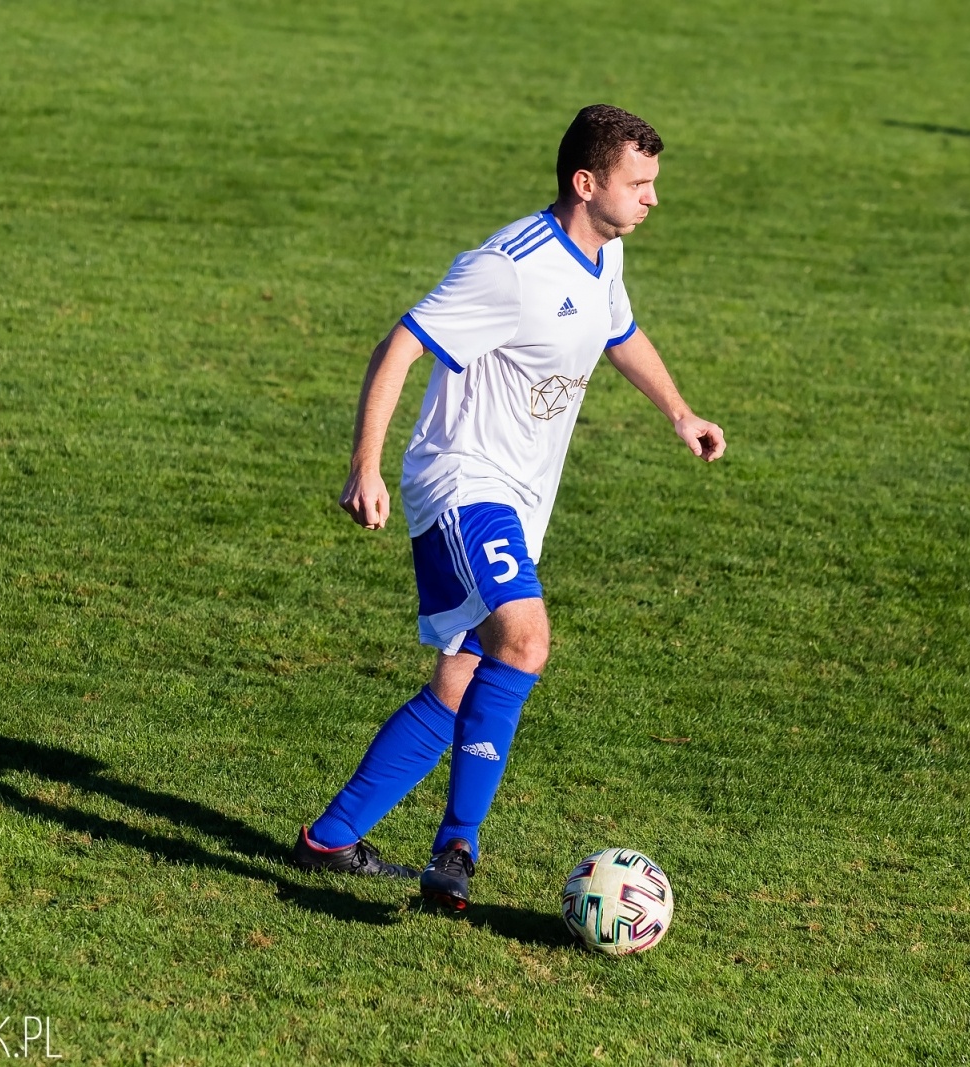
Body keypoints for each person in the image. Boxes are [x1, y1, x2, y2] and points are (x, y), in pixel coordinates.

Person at [293, 104, 726, 910]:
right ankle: (457, 847)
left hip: (523, 500)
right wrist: (366, 467)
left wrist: (678, 410)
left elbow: (616, 330)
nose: (653, 200)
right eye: (640, 185)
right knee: (525, 642)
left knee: (459, 682)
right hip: (463, 481)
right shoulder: (510, 265)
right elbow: (402, 342)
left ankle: (331, 837)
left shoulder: (604, 255)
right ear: (586, 182)